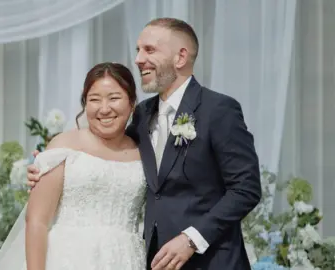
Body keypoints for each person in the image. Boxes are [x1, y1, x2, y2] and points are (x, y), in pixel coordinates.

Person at [27, 18, 262, 270]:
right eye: (138, 50)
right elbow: (108, 155)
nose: (138, 59)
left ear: (180, 57)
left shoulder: (218, 110)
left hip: (212, 261)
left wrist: (191, 239)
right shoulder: (141, 115)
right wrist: (52, 163)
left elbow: (245, 189)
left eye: (149, 50)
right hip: (147, 261)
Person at [0, 62, 146, 270]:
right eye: (94, 100)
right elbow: (37, 220)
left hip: (127, 259)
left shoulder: (144, 151)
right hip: (68, 258)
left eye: (114, 98)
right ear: (84, 104)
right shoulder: (63, 145)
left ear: (132, 103)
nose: (104, 108)